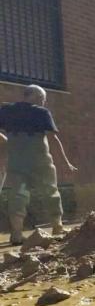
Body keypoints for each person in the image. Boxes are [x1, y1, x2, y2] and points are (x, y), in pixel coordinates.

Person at [0, 85, 76, 245]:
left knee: (18, 195)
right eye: (43, 99)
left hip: (17, 163)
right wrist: (66, 162)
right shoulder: (41, 113)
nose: (43, 102)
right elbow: (53, 139)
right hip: (40, 162)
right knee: (50, 191)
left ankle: (16, 234)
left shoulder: (7, 111)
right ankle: (58, 227)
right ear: (35, 96)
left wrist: (5, 140)